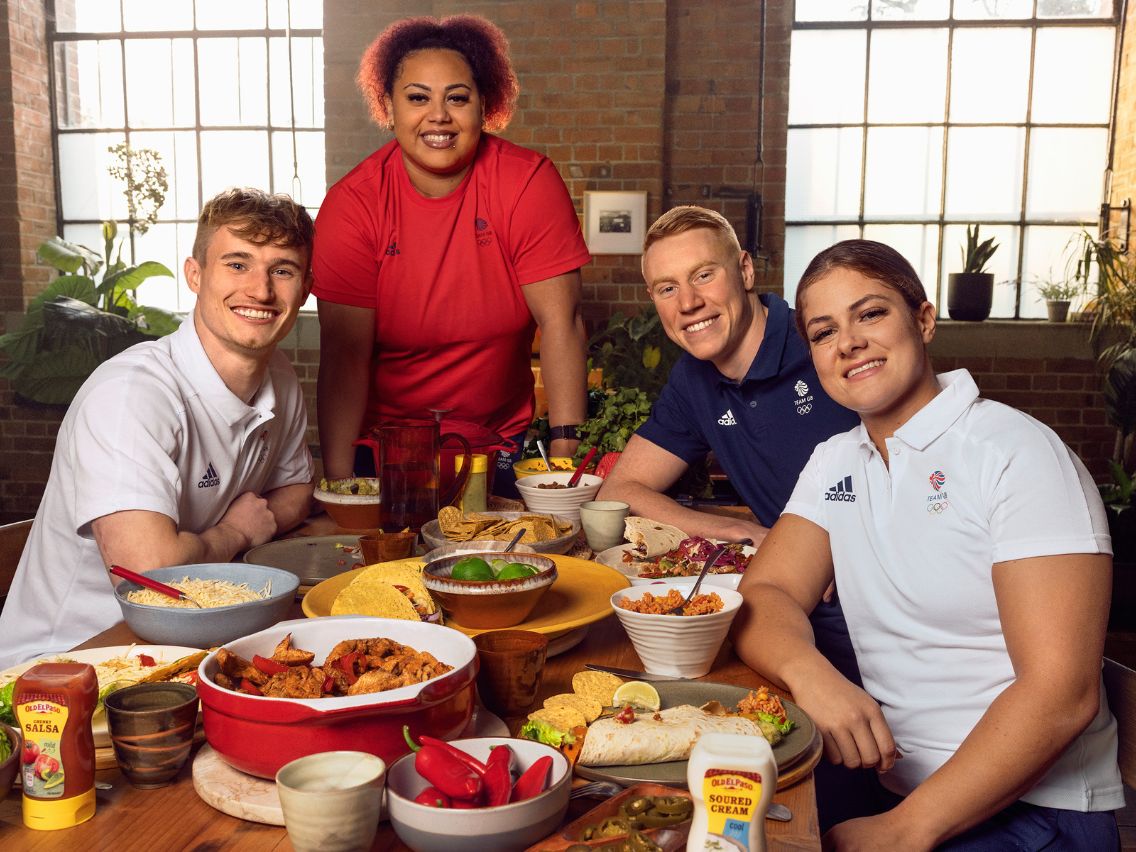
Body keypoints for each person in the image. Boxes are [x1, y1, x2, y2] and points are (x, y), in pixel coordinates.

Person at [732, 239, 1123, 850]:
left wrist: (900, 831)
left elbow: (1060, 694)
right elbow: (766, 591)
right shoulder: (837, 461)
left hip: (1032, 811)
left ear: (923, 319)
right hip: (895, 784)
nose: (849, 343)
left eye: (871, 313)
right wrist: (810, 673)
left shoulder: (1015, 454)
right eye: (823, 330)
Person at [0, 188, 316, 668]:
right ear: (195, 275)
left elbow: (296, 491)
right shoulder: (132, 393)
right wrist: (233, 532)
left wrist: (208, 540)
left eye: (282, 269)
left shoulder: (280, 378)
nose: (260, 289)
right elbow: (149, 574)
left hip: (190, 633)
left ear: (304, 289)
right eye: (237, 264)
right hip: (65, 662)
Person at [312, 15, 591, 496]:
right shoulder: (353, 203)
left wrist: (565, 464)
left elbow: (562, 324)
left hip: (500, 441)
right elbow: (345, 356)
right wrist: (339, 483)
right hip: (387, 450)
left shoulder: (526, 182)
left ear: (485, 105)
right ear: (388, 106)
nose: (438, 116)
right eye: (418, 98)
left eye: (457, 98)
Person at [596, 205, 861, 678]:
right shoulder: (693, 379)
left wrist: (843, 544)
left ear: (744, 269)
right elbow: (620, 491)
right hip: (784, 616)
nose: (688, 303)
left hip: (879, 615)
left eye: (703, 275)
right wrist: (738, 532)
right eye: (667, 288)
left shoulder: (822, 340)